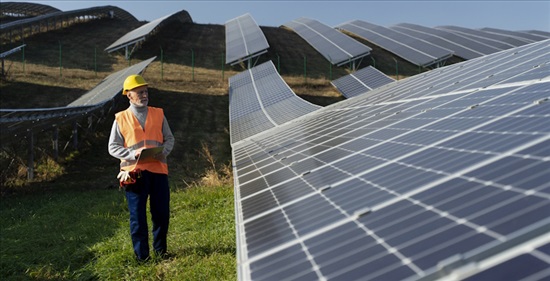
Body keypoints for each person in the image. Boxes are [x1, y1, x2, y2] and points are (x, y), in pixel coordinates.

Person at [108, 74, 175, 262]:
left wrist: (165, 152)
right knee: (137, 217)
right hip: (134, 174)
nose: (144, 95)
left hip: (158, 171)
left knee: (161, 214)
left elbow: (169, 138)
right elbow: (113, 147)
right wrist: (133, 155)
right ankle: (142, 257)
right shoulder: (121, 118)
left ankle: (161, 252)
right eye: (139, 92)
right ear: (129, 95)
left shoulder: (158, 114)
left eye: (145, 91)